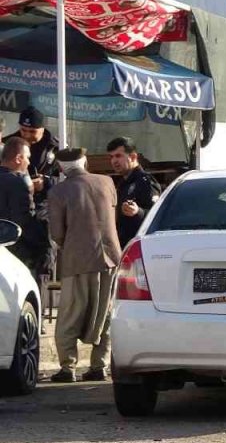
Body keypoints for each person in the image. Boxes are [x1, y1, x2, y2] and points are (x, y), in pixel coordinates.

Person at [47, 148, 120, 383]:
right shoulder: (107, 182)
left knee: (70, 314)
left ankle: (68, 368)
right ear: (85, 161)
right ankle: (99, 365)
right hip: (110, 258)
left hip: (77, 262)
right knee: (105, 313)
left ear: (61, 168)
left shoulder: (58, 191)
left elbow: (57, 233)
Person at [0, 137, 50, 283]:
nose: (29, 162)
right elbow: (24, 220)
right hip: (17, 254)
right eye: (27, 158)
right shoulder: (18, 183)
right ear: (18, 158)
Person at [107, 137, 161, 247]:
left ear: (133, 157)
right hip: (124, 245)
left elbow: (158, 216)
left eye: (118, 156)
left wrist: (138, 212)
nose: (114, 161)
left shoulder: (145, 182)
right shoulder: (123, 183)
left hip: (141, 247)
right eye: (111, 157)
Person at [7, 106, 59, 202]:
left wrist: (45, 183)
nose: (27, 135)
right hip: (12, 201)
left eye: (32, 131)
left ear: (42, 129)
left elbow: (69, 179)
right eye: (23, 130)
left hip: (45, 204)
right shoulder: (8, 144)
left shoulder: (57, 148)